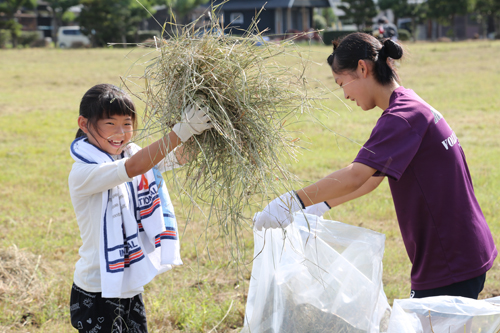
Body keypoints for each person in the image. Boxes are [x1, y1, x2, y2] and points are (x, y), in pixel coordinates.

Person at [253, 33, 497, 300]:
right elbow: (371, 179)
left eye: (341, 83)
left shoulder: (401, 118)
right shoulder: (409, 104)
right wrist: (319, 206)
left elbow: (357, 175)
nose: (345, 94)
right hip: (463, 247)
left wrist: (291, 202)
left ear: (362, 68)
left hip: (449, 258)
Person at [68, 83, 213, 332]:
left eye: (127, 123)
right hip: (96, 287)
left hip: (128, 284)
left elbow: (180, 156)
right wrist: (182, 130)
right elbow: (134, 168)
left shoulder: (130, 153)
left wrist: (202, 127)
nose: (120, 132)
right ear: (84, 124)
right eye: (110, 123)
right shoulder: (83, 172)